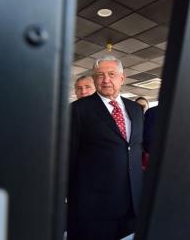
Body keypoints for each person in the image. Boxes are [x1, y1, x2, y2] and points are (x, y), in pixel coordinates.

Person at [68, 56, 144, 240]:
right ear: (94, 79)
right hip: (95, 208)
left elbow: (135, 149)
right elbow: (67, 157)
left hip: (133, 203)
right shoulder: (78, 110)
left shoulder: (135, 109)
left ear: (122, 78)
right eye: (100, 75)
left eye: (111, 74)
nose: (106, 79)